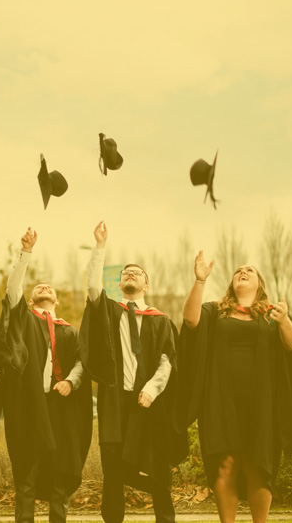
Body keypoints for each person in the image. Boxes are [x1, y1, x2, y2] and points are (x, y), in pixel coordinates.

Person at [177, 252, 292, 523]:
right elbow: (190, 320)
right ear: (231, 283)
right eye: (238, 270)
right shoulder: (215, 311)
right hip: (219, 400)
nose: (243, 272)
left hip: (261, 402)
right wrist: (200, 281)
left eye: (249, 270)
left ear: (259, 284)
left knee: (256, 464)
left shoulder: (272, 314)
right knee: (225, 464)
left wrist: (285, 321)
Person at [79, 221, 187, 523]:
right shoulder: (109, 311)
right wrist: (100, 246)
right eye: (126, 272)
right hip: (115, 400)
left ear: (146, 286)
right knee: (113, 467)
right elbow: (93, 286)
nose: (130, 273)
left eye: (137, 272)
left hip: (148, 402)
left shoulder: (160, 320)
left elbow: (167, 361)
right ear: (119, 283)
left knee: (157, 464)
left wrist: (151, 390)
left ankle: (165, 519)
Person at [0, 228, 92, 523]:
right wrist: (25, 253)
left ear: (57, 301)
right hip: (30, 405)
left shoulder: (70, 331)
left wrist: (70, 381)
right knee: (28, 473)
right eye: (39, 287)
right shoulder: (24, 320)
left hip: (61, 406)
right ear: (31, 299)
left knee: (60, 473)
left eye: (49, 287)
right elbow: (13, 291)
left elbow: (82, 362)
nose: (44, 287)